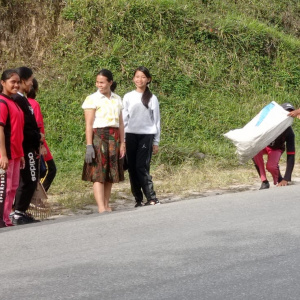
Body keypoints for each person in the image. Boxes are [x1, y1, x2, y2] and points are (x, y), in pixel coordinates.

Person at [82, 69, 125, 213]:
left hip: (114, 137)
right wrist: (89, 145)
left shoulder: (117, 99)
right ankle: (101, 206)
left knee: (110, 173)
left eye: (102, 82)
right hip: (98, 136)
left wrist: (123, 142)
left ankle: (107, 204)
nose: (99, 85)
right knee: (99, 173)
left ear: (110, 82)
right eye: (97, 82)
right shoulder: (92, 99)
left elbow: (120, 123)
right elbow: (89, 124)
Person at [122, 66, 161, 207]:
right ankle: (138, 199)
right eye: (137, 76)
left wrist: (156, 141)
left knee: (141, 166)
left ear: (148, 79)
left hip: (146, 136)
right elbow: (124, 119)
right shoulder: (128, 96)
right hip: (130, 135)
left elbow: (156, 120)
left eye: (143, 77)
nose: (140, 79)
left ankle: (151, 197)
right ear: (133, 79)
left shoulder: (152, 98)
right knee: (132, 168)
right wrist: (123, 140)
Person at [11, 67, 44, 225]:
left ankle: (19, 211)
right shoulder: (17, 99)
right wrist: (36, 136)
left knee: (29, 179)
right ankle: (18, 212)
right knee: (29, 179)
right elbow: (23, 126)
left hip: (30, 144)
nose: (32, 83)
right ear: (24, 80)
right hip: (25, 146)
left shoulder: (22, 98)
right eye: (30, 79)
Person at [0, 69, 25, 228]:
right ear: (3, 83)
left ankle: (6, 219)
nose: (16, 85)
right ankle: (1, 220)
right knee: (4, 188)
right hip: (6, 154)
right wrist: (3, 154)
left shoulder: (14, 102)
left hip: (16, 153)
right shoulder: (2, 103)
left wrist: (21, 154)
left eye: (18, 82)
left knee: (13, 187)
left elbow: (17, 130)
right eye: (12, 82)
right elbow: (0, 129)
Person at [253, 103, 295, 190]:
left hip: (276, 148)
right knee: (254, 152)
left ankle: (279, 177)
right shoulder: (268, 123)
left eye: (290, 114)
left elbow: (291, 154)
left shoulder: (289, 132)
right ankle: (264, 181)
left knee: (271, 166)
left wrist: (286, 178)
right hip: (264, 145)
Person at [27, 78, 57, 192]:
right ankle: (37, 195)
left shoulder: (20, 102)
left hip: (32, 142)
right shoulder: (33, 104)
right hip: (38, 141)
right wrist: (41, 145)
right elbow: (39, 126)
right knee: (50, 169)